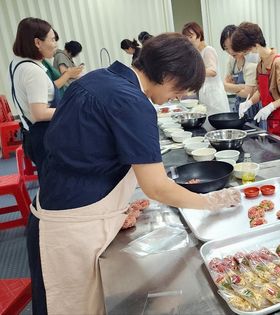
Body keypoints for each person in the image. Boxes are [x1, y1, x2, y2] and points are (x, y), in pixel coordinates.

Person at [28, 33, 241, 314]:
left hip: (53, 208)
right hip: (72, 230)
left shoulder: (97, 78)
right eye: (180, 90)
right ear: (167, 74)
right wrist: (210, 202)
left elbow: (91, 151)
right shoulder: (132, 101)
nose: (176, 98)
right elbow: (157, 187)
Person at [231, 22, 280, 143]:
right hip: (272, 119)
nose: (247, 56)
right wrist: (250, 102)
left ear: (255, 45)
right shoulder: (261, 64)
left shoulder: (278, 63)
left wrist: (271, 106)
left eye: (247, 52)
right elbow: (261, 90)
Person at [9, 17, 61, 174]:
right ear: (38, 43)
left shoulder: (16, 63)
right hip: (45, 138)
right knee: (58, 188)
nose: (55, 44)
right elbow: (39, 113)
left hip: (33, 136)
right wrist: (71, 108)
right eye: (52, 40)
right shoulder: (32, 71)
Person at [182, 22, 230, 126]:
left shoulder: (208, 50)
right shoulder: (198, 53)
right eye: (187, 38)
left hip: (214, 96)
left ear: (199, 35)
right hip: (206, 95)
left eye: (191, 36)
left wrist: (194, 72)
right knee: (209, 123)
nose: (189, 40)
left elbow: (212, 71)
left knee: (218, 124)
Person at [219, 24, 265, 128]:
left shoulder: (252, 58)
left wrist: (234, 88)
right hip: (239, 105)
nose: (230, 51)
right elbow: (225, 85)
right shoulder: (231, 61)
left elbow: (249, 93)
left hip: (254, 106)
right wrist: (241, 87)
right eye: (226, 48)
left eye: (231, 46)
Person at [42, 30, 82, 97]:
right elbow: (64, 72)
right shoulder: (61, 56)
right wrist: (76, 72)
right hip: (66, 89)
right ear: (72, 51)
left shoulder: (66, 57)